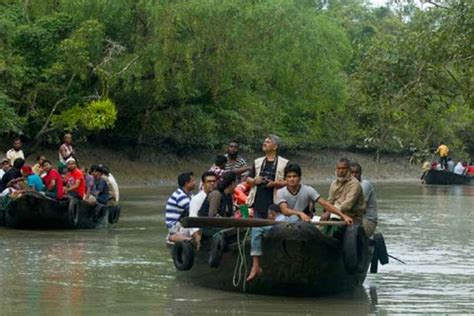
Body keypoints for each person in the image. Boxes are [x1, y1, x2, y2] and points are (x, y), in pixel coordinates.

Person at [247, 163, 352, 281]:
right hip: (283, 225)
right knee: (256, 229)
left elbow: (325, 204)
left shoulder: (308, 190)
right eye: (289, 177)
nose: (292, 179)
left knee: (296, 220)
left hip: (300, 226)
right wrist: (300, 213)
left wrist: (343, 216)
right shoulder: (281, 192)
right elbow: (285, 211)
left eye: (295, 176)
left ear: (300, 178)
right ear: (285, 179)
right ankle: (256, 266)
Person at [246, 135, 289, 219]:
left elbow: (289, 182)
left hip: (276, 203)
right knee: (257, 228)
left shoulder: (284, 163)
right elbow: (248, 179)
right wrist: (255, 181)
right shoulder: (258, 161)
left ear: (275, 147)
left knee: (274, 229)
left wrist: (275, 183)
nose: (264, 144)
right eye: (264, 142)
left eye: (268, 142)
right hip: (258, 203)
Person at [321, 158, 366, 225]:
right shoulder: (334, 184)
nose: (341, 171)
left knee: (333, 219)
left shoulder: (355, 184)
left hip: (352, 218)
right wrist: (327, 210)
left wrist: (330, 212)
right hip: (336, 214)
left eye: (343, 168)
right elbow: (330, 200)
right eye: (338, 168)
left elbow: (347, 206)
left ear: (348, 170)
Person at [188, 171, 217, 250]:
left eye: (214, 181)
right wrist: (197, 235)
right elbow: (193, 218)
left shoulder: (218, 196)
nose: (212, 183)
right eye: (209, 182)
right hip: (200, 231)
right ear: (203, 184)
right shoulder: (196, 199)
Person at [165, 172, 196, 242]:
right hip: (174, 226)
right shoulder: (180, 196)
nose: (195, 182)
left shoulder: (189, 194)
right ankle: (174, 237)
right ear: (186, 183)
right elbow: (193, 209)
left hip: (180, 223)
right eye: (193, 181)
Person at [350, 162, 377, 237]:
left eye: (356, 173)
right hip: (353, 218)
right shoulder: (346, 186)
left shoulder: (365, 185)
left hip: (367, 221)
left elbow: (356, 206)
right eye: (351, 173)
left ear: (360, 174)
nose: (354, 175)